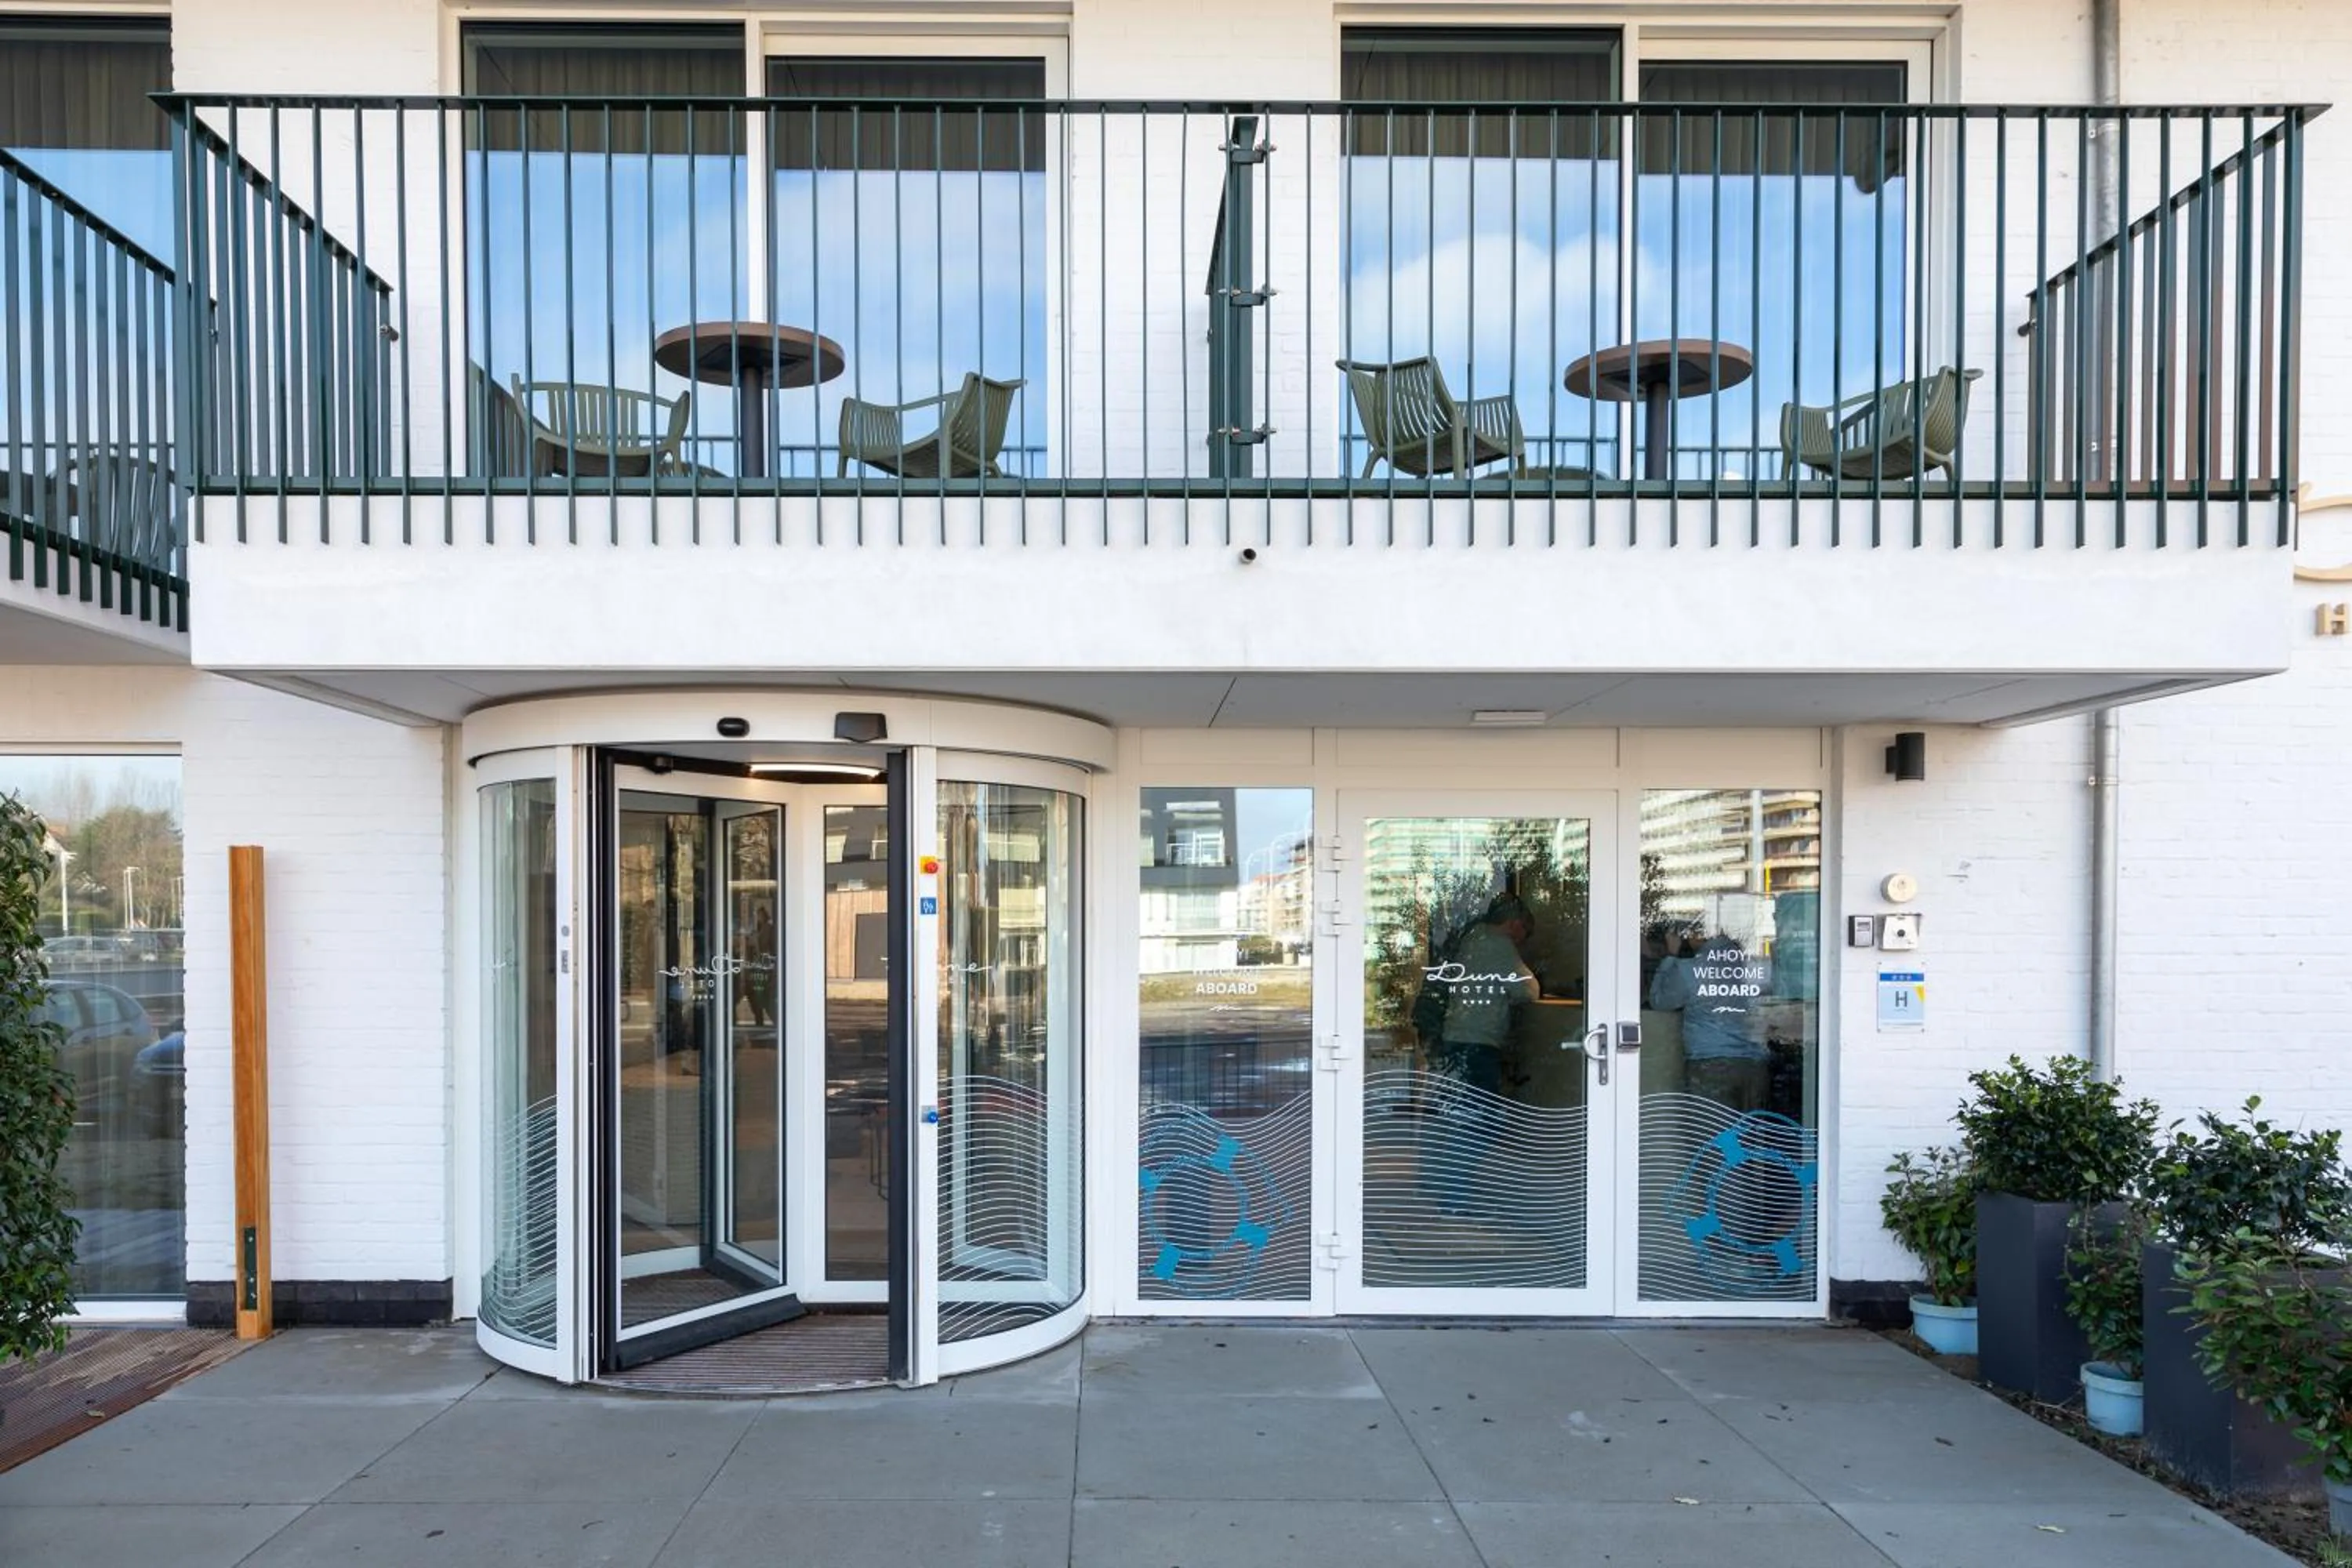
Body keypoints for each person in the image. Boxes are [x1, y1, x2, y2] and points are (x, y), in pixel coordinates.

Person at [1424, 895, 1540, 1214]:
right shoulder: (1498, 944)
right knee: (1481, 1121)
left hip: (1454, 1038)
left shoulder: (1471, 938)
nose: (1523, 941)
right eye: (1524, 934)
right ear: (1515, 925)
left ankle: (1439, 1186)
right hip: (1478, 1044)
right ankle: (1454, 1197)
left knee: (1455, 1117)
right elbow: (1529, 990)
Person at [1648, 925, 1770, 1112]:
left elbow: (1659, 1002)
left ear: (1702, 939)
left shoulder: (1688, 970)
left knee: (1711, 1132)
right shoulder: (1754, 968)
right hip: (1754, 1063)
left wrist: (1670, 955)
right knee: (1750, 1134)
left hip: (1709, 1062)